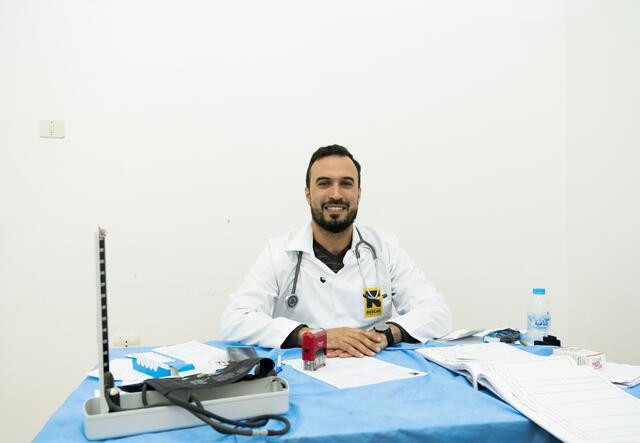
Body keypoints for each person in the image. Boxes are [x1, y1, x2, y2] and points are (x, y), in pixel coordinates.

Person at [221, 145, 452, 357]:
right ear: (308, 193)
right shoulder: (279, 252)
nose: (336, 194)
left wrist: (383, 335)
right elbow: (235, 319)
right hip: (305, 371)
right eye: (324, 183)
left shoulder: (384, 247)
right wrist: (313, 336)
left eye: (346, 183)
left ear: (359, 193)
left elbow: (437, 312)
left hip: (373, 366)